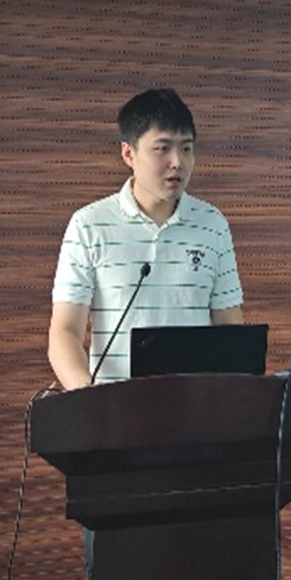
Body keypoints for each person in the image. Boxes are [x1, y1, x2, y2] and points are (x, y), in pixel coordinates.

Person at [48, 88, 244, 389]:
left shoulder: (213, 225)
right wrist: (89, 400)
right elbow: (65, 332)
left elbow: (230, 329)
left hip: (196, 405)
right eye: (162, 148)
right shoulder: (89, 226)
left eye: (186, 149)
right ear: (129, 153)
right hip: (114, 406)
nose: (177, 162)